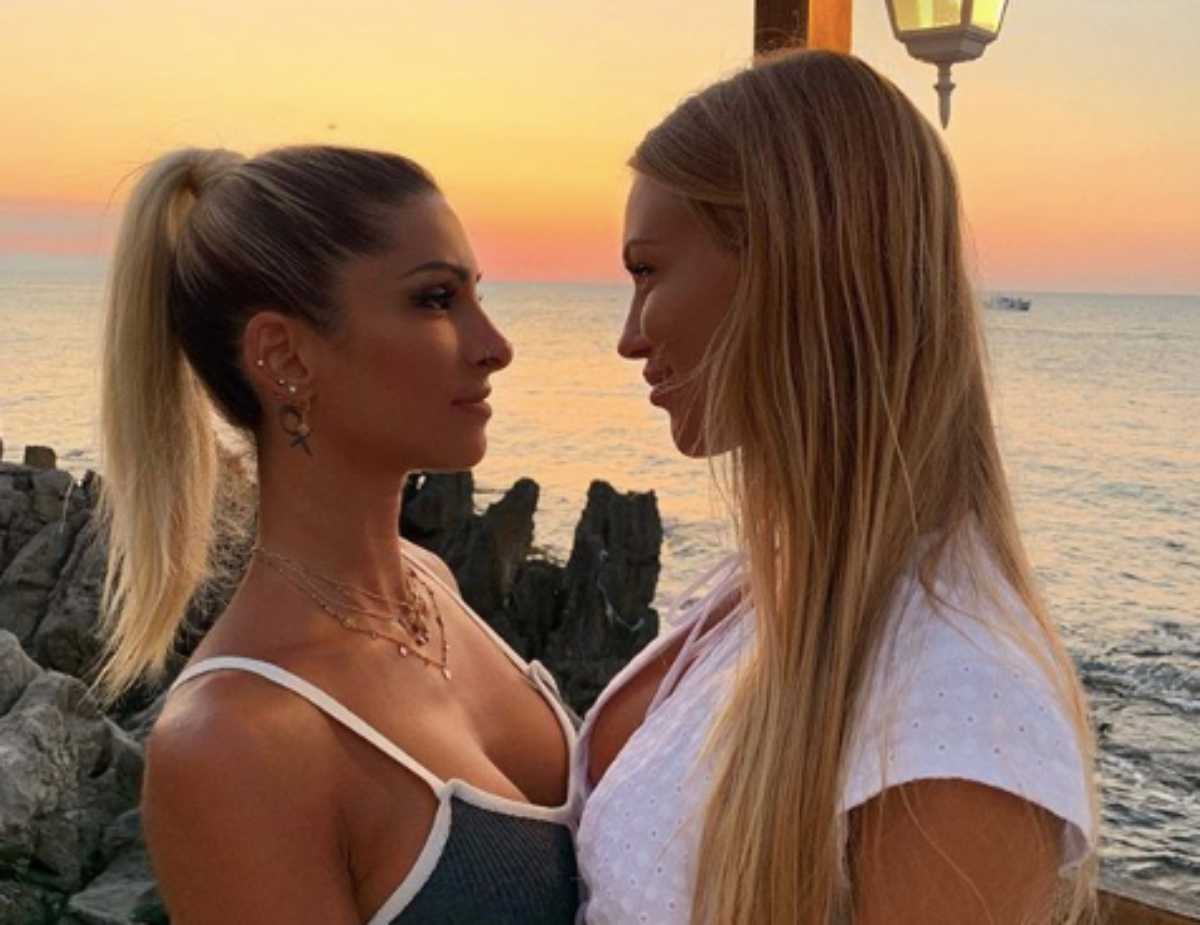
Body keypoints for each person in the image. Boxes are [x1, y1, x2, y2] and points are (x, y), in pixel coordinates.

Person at [576, 50, 1097, 925]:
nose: (630, 336)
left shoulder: (958, 712)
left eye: (648, 271)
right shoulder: (767, 594)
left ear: (787, 264)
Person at [95, 145, 580, 924]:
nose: (495, 344)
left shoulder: (432, 584)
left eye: (475, 294)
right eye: (436, 300)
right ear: (284, 356)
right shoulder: (230, 740)